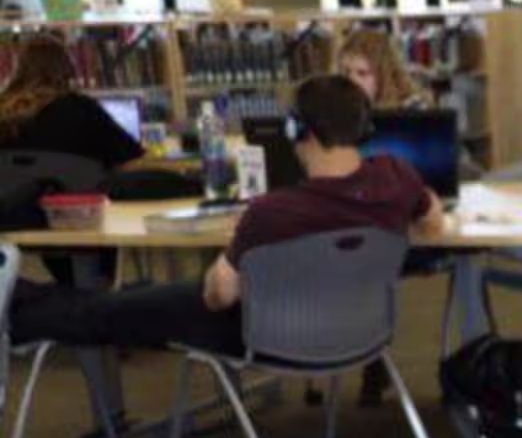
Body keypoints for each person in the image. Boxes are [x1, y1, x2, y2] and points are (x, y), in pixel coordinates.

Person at [10, 75, 442, 358]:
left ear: (296, 131)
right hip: (359, 329)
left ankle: (13, 305)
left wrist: (229, 255)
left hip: (266, 332)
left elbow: (219, 296)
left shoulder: (275, 210)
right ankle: (22, 297)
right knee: (133, 299)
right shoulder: (398, 176)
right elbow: (432, 220)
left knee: (105, 312)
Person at [335, 28, 433, 405]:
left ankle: (371, 357)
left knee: (366, 251)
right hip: (357, 225)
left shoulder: (415, 113)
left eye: (362, 73)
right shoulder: (332, 122)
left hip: (416, 228)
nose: (352, 84)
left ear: (384, 75)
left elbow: (457, 170)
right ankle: (365, 354)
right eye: (345, 74)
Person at [0, 35, 144, 174]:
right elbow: (132, 155)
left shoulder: (4, 109)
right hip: (77, 196)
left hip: (12, 198)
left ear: (17, 69)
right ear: (68, 68)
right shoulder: (82, 109)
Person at [337, 28, 433, 111]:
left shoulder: (413, 110)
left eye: (362, 73)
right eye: (346, 72)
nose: (352, 81)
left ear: (383, 74)